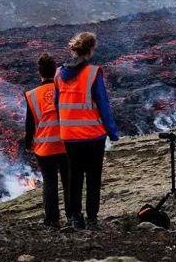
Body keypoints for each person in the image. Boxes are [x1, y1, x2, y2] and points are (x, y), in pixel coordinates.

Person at [54, 32, 118, 230]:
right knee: (93, 177)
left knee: (74, 177)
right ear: (90, 49)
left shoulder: (58, 74)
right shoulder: (92, 73)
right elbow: (103, 104)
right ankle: (91, 218)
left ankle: (75, 217)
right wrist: (112, 132)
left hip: (69, 136)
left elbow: (57, 104)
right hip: (92, 136)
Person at [24, 53, 69, 227]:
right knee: (69, 181)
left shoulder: (32, 94)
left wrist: (28, 144)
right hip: (66, 143)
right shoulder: (64, 89)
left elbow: (30, 124)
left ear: (39, 72)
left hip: (44, 147)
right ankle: (72, 215)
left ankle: (52, 219)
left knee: (49, 182)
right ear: (55, 70)